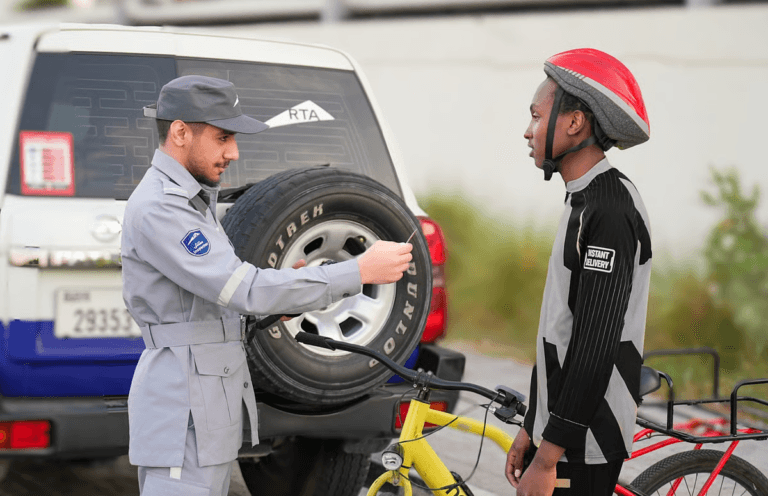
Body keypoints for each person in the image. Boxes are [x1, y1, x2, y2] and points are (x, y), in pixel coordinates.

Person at [121, 75, 413, 496]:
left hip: (204, 398)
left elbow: (227, 297)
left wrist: (292, 286)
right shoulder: (163, 207)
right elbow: (245, 290)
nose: (234, 152)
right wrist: (357, 271)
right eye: (223, 137)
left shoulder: (192, 200)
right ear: (180, 132)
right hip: (184, 403)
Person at [504, 49, 653, 496]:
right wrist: (533, 425)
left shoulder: (608, 209)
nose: (527, 131)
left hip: (587, 438)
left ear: (574, 124)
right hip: (563, 430)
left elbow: (594, 343)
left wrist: (548, 457)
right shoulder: (582, 198)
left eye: (536, 116)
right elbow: (559, 331)